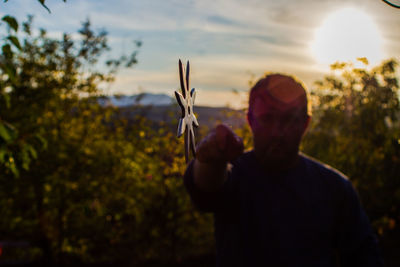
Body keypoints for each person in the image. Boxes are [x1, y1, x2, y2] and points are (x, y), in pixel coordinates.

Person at [183, 74, 384, 267]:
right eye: (267, 118)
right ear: (250, 121)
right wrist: (211, 158)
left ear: (305, 124)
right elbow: (205, 189)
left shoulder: (336, 188)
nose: (278, 131)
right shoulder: (235, 174)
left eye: (289, 119)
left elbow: (365, 257)